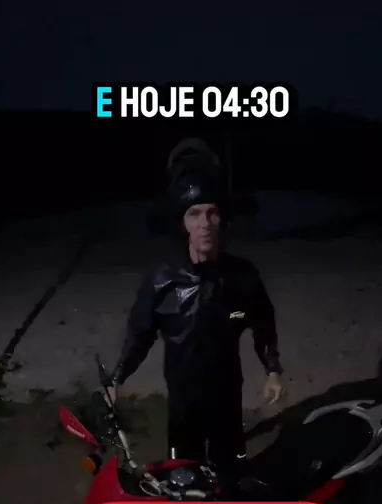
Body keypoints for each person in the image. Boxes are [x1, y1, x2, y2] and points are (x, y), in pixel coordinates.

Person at [109, 140, 286, 471]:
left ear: (222, 220)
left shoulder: (242, 277)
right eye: (194, 214)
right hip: (182, 400)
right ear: (182, 223)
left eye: (211, 213)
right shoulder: (162, 281)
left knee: (230, 467)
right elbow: (139, 335)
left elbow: (264, 323)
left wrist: (273, 369)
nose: (204, 223)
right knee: (183, 471)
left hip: (227, 395)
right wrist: (117, 378)